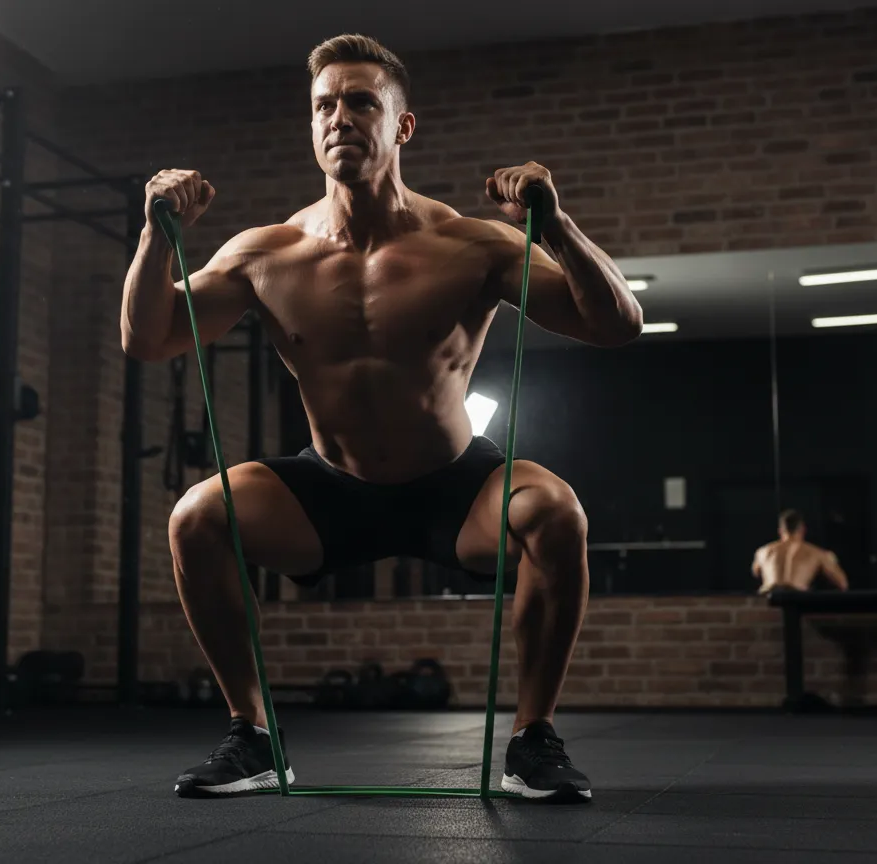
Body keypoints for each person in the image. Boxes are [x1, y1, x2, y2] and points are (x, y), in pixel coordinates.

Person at [121, 33, 643, 801]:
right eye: (324, 104)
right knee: (197, 514)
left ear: (401, 126)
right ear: (311, 127)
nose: (340, 117)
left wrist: (555, 223)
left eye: (361, 100)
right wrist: (153, 232)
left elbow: (618, 323)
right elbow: (147, 339)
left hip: (456, 489)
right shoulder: (266, 252)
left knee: (556, 511)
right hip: (330, 490)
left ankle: (534, 741)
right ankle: (254, 737)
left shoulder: (473, 244)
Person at [752, 509, 850, 594]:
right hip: (796, 600)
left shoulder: (763, 552)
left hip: (767, 600)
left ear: (780, 531)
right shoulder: (818, 553)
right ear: (803, 529)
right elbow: (843, 584)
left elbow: (756, 573)